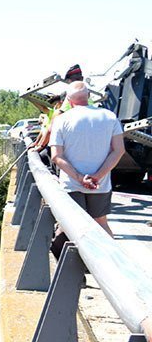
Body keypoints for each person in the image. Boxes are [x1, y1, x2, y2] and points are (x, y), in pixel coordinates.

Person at [51, 81, 125, 236]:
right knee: (101, 224)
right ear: (89, 96)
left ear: (69, 101)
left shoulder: (61, 120)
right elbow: (119, 151)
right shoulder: (110, 117)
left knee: (71, 227)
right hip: (100, 185)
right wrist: (97, 176)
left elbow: (56, 156)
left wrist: (79, 178)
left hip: (71, 184)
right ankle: (106, 259)